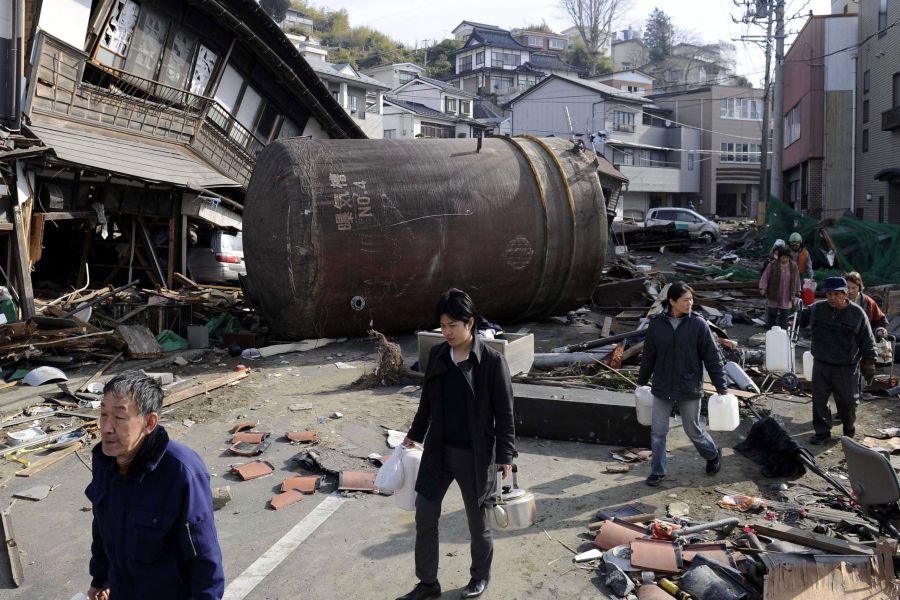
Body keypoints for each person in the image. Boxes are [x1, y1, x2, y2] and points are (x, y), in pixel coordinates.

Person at [397, 289, 516, 600]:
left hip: (476, 454)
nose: (447, 332)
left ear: (470, 323)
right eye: (443, 326)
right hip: (439, 450)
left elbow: (505, 414)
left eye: (453, 325)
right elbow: (427, 402)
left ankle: (479, 577)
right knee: (424, 515)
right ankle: (427, 584)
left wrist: (505, 455)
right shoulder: (437, 355)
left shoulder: (491, 362)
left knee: (478, 523)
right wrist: (415, 434)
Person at [85, 370, 224, 600]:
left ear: (149, 422)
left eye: (119, 418)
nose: (106, 427)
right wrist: (100, 579)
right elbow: (101, 525)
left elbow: (204, 557)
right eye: (103, 414)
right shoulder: (105, 461)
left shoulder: (181, 471)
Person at [636, 281, 730, 487]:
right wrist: (641, 382)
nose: (690, 303)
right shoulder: (657, 324)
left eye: (691, 299)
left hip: (689, 385)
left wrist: (721, 387)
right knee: (658, 432)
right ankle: (658, 472)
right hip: (662, 385)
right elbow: (649, 356)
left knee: (692, 429)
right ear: (672, 301)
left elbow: (712, 357)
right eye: (686, 300)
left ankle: (713, 454)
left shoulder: (698, 324)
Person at [800, 277, 877, 444]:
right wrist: (797, 310)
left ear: (845, 293)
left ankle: (848, 428)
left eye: (836, 294)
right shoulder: (817, 309)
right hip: (821, 363)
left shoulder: (857, 313)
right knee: (819, 400)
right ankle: (822, 432)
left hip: (846, 366)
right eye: (829, 294)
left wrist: (870, 362)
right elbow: (801, 319)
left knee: (848, 401)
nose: (832, 298)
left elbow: (867, 339)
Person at [759, 247, 800, 330]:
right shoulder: (772, 265)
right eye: (783, 257)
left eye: (787, 257)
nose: (785, 259)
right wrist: (763, 288)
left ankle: (782, 332)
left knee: (785, 315)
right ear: (779, 256)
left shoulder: (793, 266)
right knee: (772, 313)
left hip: (787, 294)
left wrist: (798, 290)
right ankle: (770, 330)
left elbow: (797, 278)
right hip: (774, 293)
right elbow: (765, 277)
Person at [844, 271, 889, 338]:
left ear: (859, 287)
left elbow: (881, 321)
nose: (850, 291)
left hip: (862, 339)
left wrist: (879, 330)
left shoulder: (868, 302)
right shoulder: (839, 300)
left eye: (854, 288)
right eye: (848, 287)